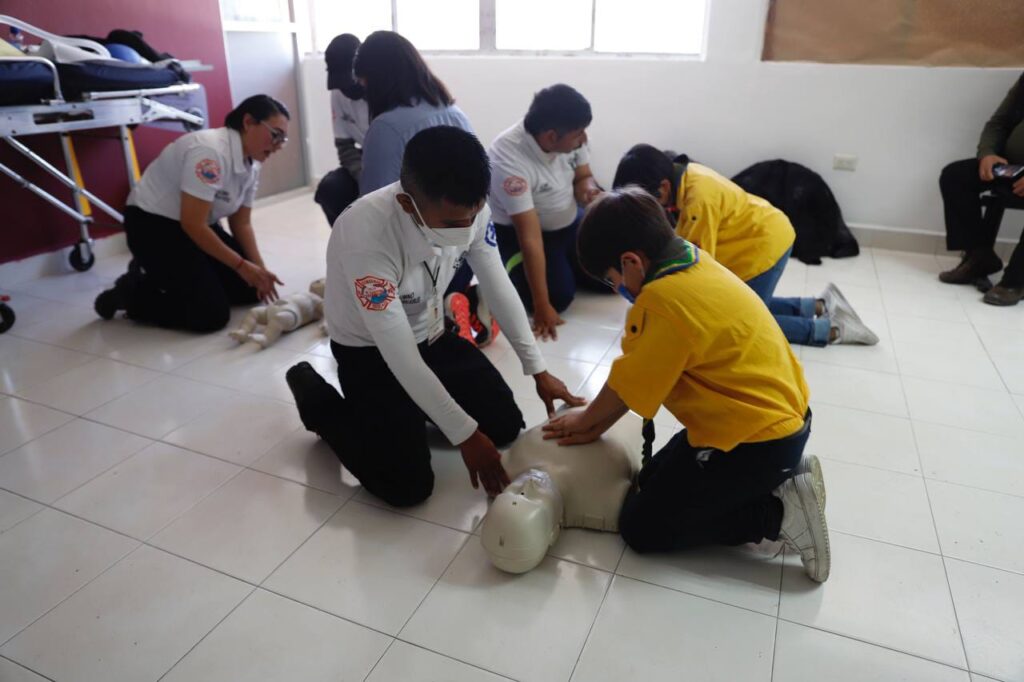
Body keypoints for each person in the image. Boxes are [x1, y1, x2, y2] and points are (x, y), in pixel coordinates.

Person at [285, 126, 585, 507]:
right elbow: (398, 355)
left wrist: (538, 369)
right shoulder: (365, 233)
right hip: (370, 351)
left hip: (431, 333)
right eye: (450, 224)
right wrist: (463, 434)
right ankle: (315, 396)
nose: (464, 231)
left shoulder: (470, 207)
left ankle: (411, 409)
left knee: (506, 425)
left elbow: (498, 285)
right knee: (406, 487)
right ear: (409, 204)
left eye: (471, 218)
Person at [542, 187, 831, 582]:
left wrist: (585, 422)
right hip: (769, 423)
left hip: (756, 441)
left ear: (631, 261)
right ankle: (780, 480)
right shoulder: (692, 259)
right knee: (648, 482)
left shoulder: (662, 299)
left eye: (613, 281)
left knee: (640, 527)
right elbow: (637, 373)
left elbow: (627, 389)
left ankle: (778, 515)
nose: (618, 290)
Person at [613, 144, 877, 346]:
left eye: (648, 201)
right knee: (746, 303)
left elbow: (694, 267)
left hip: (764, 245)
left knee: (740, 322)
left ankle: (832, 330)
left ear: (663, 186)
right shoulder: (687, 175)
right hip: (760, 234)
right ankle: (819, 306)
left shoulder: (698, 201)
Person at [94, 95, 287, 332]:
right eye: (275, 135)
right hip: (153, 226)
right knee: (209, 314)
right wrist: (241, 266)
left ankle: (175, 277)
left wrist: (260, 272)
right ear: (248, 122)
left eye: (283, 139)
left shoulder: (252, 164)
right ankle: (132, 292)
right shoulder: (210, 152)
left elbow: (241, 224)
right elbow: (192, 224)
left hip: (197, 225)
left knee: (250, 290)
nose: (279, 145)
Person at [353, 30, 495, 343]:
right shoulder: (454, 112)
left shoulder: (387, 126)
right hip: (463, 255)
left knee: (339, 194)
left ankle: (433, 306)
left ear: (373, 80)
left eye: (363, 84)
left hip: (423, 262)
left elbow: (372, 206)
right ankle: (459, 296)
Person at [487, 84, 606, 340]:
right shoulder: (508, 159)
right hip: (521, 235)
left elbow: (584, 176)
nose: (584, 139)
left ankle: (566, 263)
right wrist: (542, 305)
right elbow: (529, 237)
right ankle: (499, 280)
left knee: (611, 277)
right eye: (578, 135)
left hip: (570, 222)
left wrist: (588, 190)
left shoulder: (571, 136)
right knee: (557, 298)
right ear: (551, 137)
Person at [939, 71, 1024, 305]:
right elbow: (999, 122)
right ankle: (979, 256)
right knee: (956, 176)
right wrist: (988, 154)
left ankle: (1015, 281)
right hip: (1011, 166)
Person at [313, 33, 370, 227]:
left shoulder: (387, 93)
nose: (344, 89)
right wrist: (362, 176)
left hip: (398, 164)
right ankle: (348, 245)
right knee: (330, 189)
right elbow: (345, 147)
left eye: (348, 81)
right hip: (364, 162)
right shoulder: (338, 93)